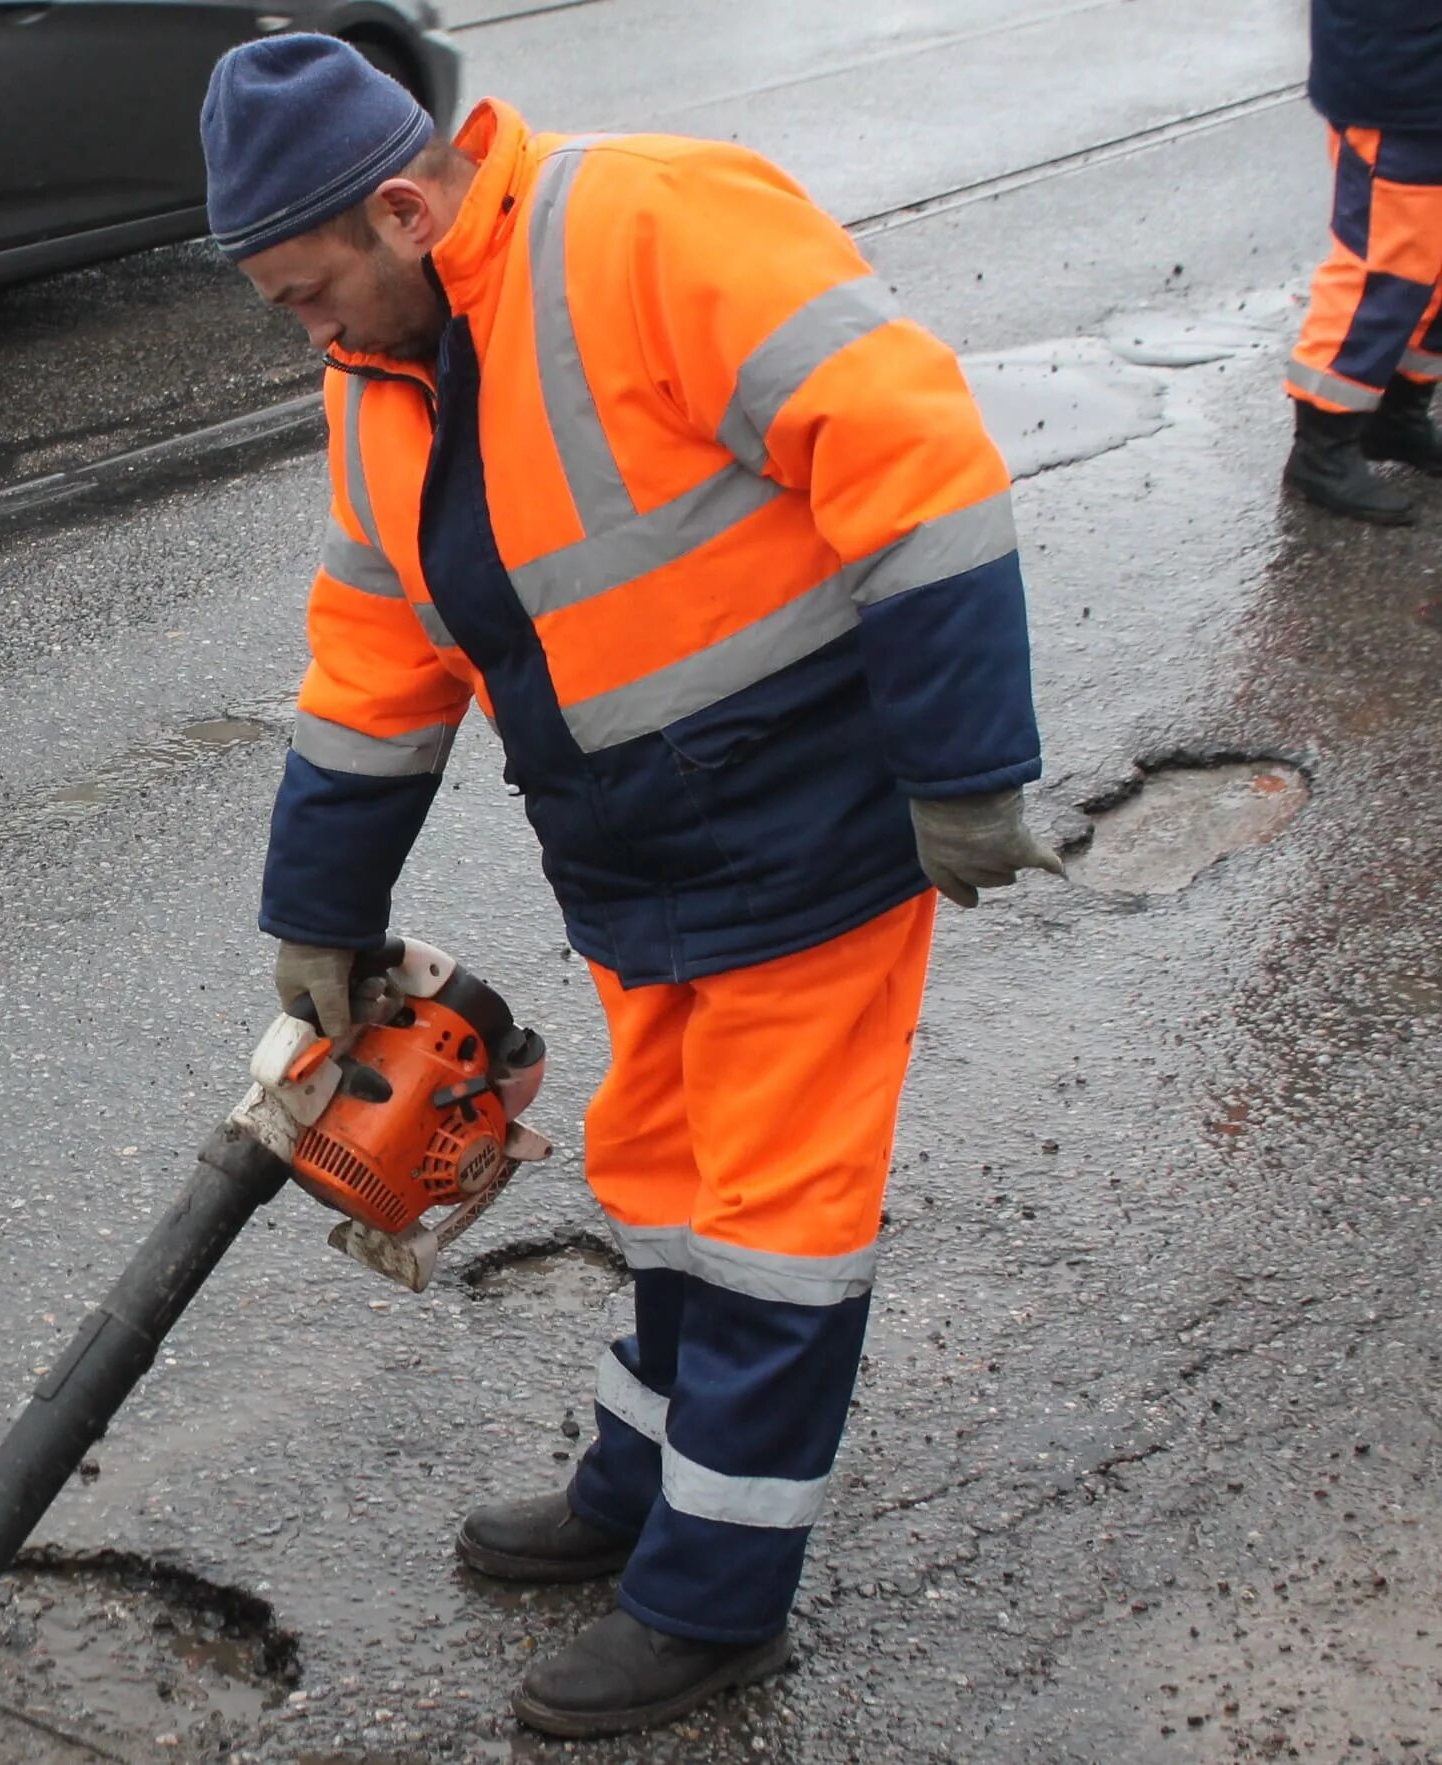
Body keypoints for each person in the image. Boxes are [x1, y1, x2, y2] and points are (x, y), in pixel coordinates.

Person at [200, 38, 1062, 1739]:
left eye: (312, 290)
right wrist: (319, 910)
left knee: (768, 1233)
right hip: (632, 855)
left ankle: (710, 1600)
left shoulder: (649, 230)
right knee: (658, 1178)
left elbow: (915, 463)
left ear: (398, 204)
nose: (309, 330)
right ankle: (638, 1486)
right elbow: (377, 654)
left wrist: (966, 770)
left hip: (812, 837)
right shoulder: (379, 372)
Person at [1282, 0, 1442, 524]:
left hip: (1414, 75)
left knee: (1431, 269)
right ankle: (1322, 446)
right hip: (1402, 82)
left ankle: (1398, 413)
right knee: (1384, 271)